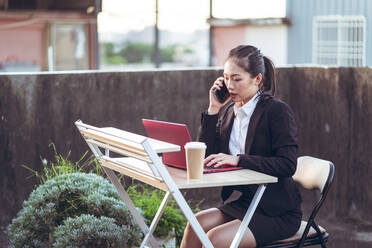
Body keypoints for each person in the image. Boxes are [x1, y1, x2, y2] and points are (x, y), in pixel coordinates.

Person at [180, 45, 302, 248]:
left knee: (216, 240)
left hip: (277, 210)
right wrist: (213, 110)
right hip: (247, 202)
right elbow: (208, 157)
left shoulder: (277, 111)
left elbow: (288, 164)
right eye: (226, 78)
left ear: (257, 79)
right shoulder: (229, 113)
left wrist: (239, 159)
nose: (230, 85)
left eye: (237, 79)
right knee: (196, 224)